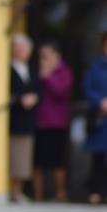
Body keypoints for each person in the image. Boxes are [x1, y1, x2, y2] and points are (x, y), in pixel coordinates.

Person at [32, 41, 73, 202]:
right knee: (38, 161)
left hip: (56, 123)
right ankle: (38, 194)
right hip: (39, 122)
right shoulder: (38, 72)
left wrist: (48, 77)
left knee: (57, 161)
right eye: (41, 56)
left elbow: (60, 92)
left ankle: (60, 193)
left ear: (56, 56)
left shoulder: (64, 71)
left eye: (46, 55)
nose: (42, 59)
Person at [9, 33, 39, 203]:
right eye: (20, 48)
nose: (23, 51)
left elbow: (38, 88)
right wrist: (21, 99)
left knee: (24, 156)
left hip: (28, 118)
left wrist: (35, 97)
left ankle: (18, 189)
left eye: (26, 49)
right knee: (15, 154)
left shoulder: (30, 69)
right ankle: (13, 190)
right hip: (15, 117)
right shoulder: (9, 69)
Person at [83, 33, 107, 204]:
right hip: (100, 119)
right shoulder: (95, 66)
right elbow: (87, 88)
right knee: (98, 158)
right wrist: (100, 101)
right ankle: (95, 192)